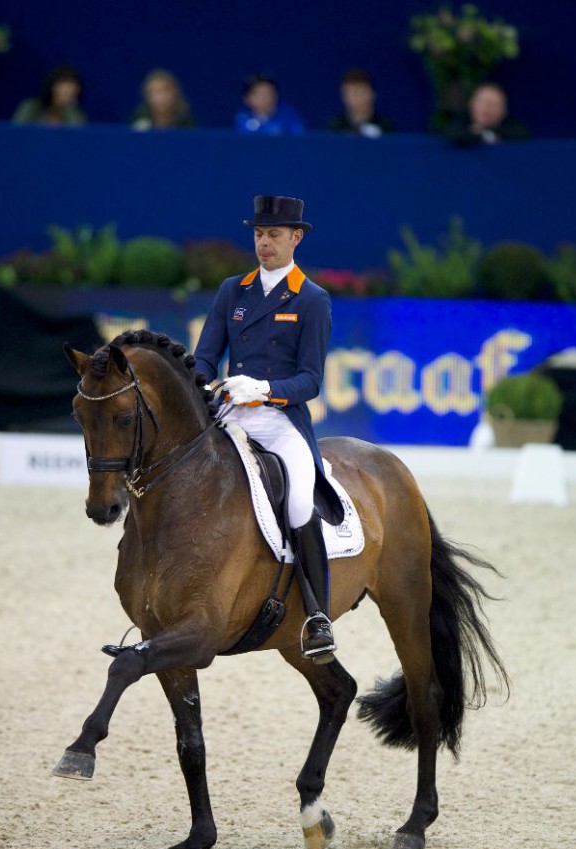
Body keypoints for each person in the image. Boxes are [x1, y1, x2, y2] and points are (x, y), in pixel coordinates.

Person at [193, 195, 338, 660]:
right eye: (258, 234)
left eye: (274, 234)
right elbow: (203, 358)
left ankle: (317, 615)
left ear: (296, 238)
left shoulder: (312, 299)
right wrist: (200, 385)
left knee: (298, 501)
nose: (264, 243)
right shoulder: (233, 291)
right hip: (231, 413)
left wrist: (264, 388)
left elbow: (311, 381)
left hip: (278, 419)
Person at [444, 83, 529, 146]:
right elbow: (452, 135)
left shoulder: (511, 125)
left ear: (503, 111)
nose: (487, 108)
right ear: (472, 105)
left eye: (494, 104)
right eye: (483, 102)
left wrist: (484, 133)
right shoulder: (461, 120)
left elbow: (523, 136)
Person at [327, 68, 394, 138]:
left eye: (362, 93)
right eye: (353, 93)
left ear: (372, 94)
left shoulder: (385, 127)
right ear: (344, 97)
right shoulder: (335, 127)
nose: (358, 98)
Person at [12, 64, 87, 126]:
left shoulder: (76, 114)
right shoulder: (31, 108)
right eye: (63, 86)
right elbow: (15, 134)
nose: (68, 91)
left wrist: (69, 108)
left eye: (72, 89)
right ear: (51, 87)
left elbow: (79, 138)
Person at [235, 74, 305, 135]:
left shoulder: (289, 116)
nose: (265, 97)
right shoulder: (242, 117)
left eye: (268, 93)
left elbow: (299, 140)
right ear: (247, 98)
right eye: (259, 94)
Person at [130, 69, 195, 130]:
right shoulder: (137, 124)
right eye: (157, 92)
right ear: (148, 96)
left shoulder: (187, 125)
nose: (162, 97)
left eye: (166, 91)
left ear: (175, 94)